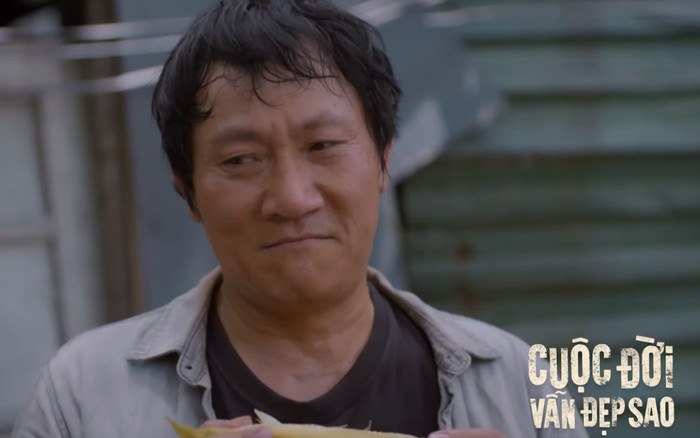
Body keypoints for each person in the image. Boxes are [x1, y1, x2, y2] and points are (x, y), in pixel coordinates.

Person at [12, 1, 587, 437]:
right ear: (187, 188)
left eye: (323, 146)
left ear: (384, 160)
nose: (291, 198)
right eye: (241, 159)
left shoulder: (519, 385)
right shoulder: (82, 398)